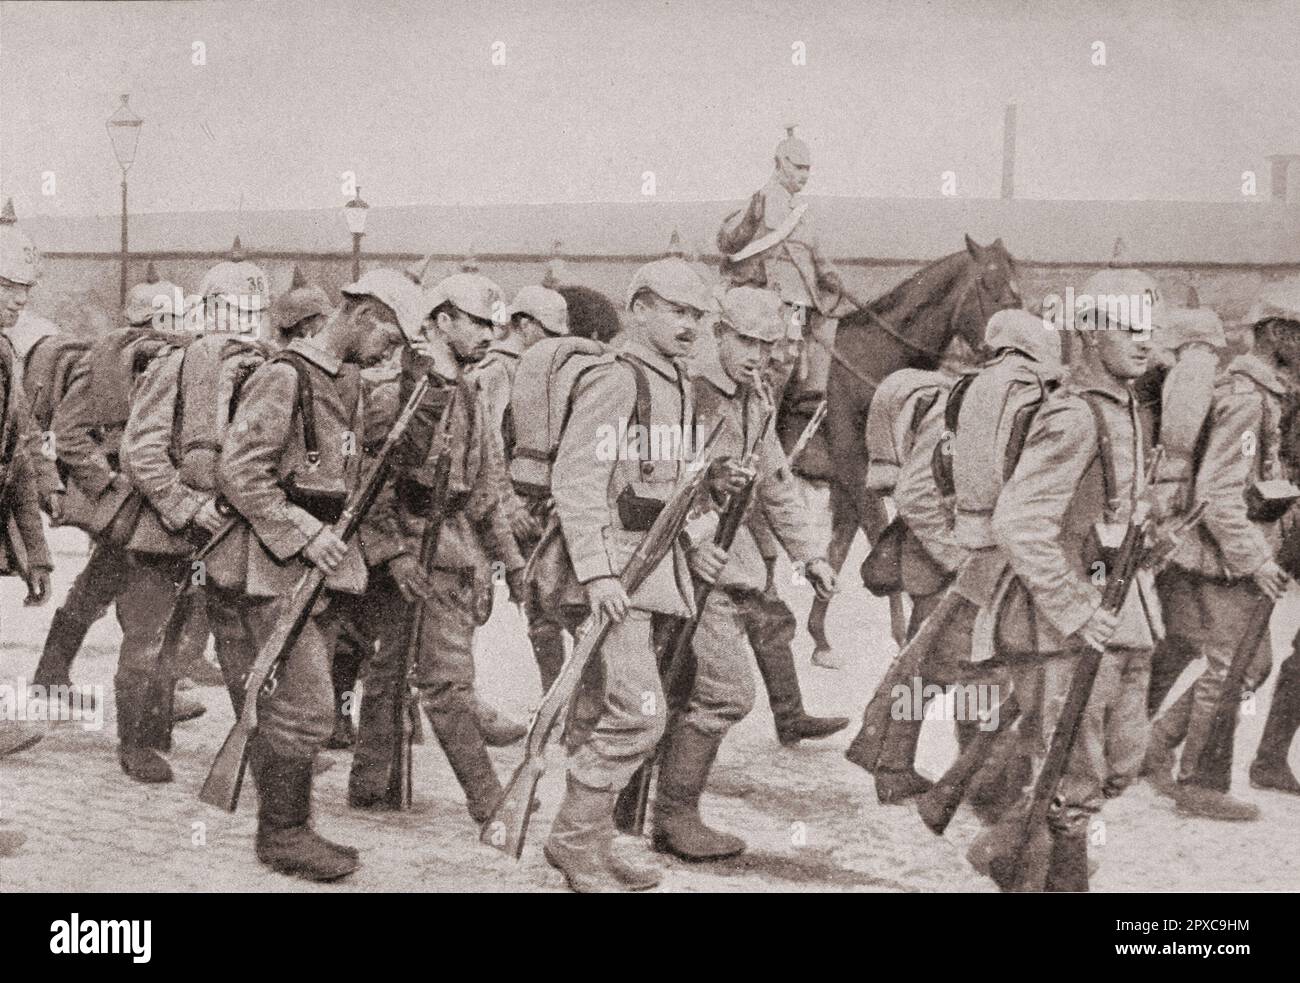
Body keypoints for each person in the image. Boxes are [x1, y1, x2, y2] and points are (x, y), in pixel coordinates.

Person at [204, 269, 406, 881]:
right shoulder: (284, 375)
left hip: (315, 565)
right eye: (389, 338)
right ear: (365, 314)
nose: (388, 353)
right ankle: (283, 833)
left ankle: (288, 828)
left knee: (298, 706)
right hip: (269, 567)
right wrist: (304, 531)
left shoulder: (345, 382)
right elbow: (239, 472)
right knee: (310, 707)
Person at [971, 270, 1165, 891]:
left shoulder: (1127, 407)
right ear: (1088, 331)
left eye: (1148, 327)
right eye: (1128, 326)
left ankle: (1005, 848)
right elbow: (1020, 522)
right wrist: (1077, 608)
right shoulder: (1074, 415)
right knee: (1073, 775)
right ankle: (1057, 879)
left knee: (1122, 763)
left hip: (1125, 614)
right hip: (1065, 624)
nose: (1143, 340)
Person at [539, 257, 728, 892]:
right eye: (678, 310)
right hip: (612, 574)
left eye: (698, 315)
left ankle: (593, 839)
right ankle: (572, 840)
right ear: (640, 307)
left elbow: (672, 488)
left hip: (648, 569)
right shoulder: (619, 380)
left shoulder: (672, 380)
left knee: (602, 711)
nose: (691, 325)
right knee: (640, 713)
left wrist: (696, 541)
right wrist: (597, 576)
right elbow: (578, 483)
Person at [653, 285, 837, 861]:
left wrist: (811, 554)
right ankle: (673, 816)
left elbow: (774, 485)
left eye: (768, 343)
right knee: (722, 695)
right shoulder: (690, 394)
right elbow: (660, 480)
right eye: (746, 340)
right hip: (685, 572)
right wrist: (694, 541)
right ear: (718, 334)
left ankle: (662, 813)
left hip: (724, 574)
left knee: (683, 695)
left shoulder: (752, 399)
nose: (759, 354)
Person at [346, 272, 528, 820]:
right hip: (410, 549)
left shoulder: (470, 392)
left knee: (394, 664)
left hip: (452, 547)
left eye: (493, 327)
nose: (488, 337)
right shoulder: (395, 393)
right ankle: (487, 799)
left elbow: (488, 486)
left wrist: (512, 562)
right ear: (442, 320)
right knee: (444, 680)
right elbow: (364, 484)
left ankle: (370, 781)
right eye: (476, 324)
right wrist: (395, 553)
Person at [1145, 282, 1299, 819]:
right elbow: (1218, 492)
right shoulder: (1249, 399)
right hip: (1220, 559)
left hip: (1219, 554)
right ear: (1279, 334)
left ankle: (1157, 743)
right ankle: (1200, 782)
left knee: (1245, 661)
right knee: (1236, 664)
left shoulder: (1262, 392)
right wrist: (1255, 560)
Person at [474, 284, 570, 692]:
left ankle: (558, 699)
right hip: (504, 505)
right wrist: (508, 505)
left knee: (549, 603)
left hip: (539, 502)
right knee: (483, 602)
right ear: (524, 324)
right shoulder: (494, 372)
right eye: (547, 331)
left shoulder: (544, 367)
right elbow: (487, 447)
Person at [716, 126, 852, 398]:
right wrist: (751, 219)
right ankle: (762, 410)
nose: (804, 175)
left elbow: (819, 259)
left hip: (799, 303)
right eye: (799, 167)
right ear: (780, 163)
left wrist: (835, 282)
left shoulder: (803, 214)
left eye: (808, 169)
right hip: (767, 298)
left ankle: (778, 411)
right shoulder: (760, 200)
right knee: (773, 358)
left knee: (791, 355)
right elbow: (727, 242)